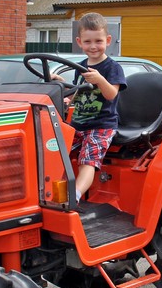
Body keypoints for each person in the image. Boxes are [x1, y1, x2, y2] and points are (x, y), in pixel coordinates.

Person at [53, 12, 126, 203]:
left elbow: (112, 94)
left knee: (88, 159)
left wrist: (100, 80)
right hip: (78, 125)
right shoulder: (80, 66)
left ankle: (74, 195)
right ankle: (50, 190)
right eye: (87, 42)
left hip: (102, 125)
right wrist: (62, 84)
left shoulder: (112, 68)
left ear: (108, 40)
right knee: (55, 150)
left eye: (98, 41)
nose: (93, 46)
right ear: (79, 42)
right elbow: (78, 93)